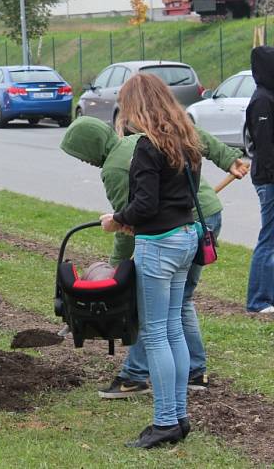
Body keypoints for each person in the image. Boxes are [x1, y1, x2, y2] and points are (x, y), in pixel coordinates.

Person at [60, 116, 247, 399]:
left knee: (154, 306)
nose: (85, 162)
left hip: (184, 224)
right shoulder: (138, 140)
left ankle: (135, 376)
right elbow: (194, 135)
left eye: (82, 155)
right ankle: (195, 372)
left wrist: (116, 269)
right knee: (180, 300)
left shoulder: (113, 168)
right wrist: (228, 158)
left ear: (92, 146)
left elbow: (128, 224)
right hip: (205, 214)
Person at [98, 73, 204, 448]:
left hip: (159, 245)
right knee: (173, 329)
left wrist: (117, 220)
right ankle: (178, 417)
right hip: (186, 238)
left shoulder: (147, 145)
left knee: (157, 333)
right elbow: (174, 198)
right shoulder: (186, 139)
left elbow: (145, 204)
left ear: (136, 106)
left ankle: (164, 423)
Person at [245, 46, 274, 314]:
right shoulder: (262, 100)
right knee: (269, 238)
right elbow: (265, 149)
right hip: (269, 179)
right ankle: (258, 300)